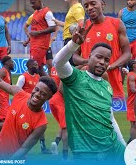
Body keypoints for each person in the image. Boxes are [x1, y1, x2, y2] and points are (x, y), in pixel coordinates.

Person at [53, 24, 126, 161]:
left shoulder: (106, 86)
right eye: (98, 57)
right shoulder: (75, 78)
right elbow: (58, 63)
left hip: (113, 147)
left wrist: (123, 145)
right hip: (86, 152)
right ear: (90, 56)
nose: (102, 62)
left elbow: (110, 118)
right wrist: (74, 44)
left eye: (106, 60)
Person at [0, 62, 57, 159]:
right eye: (36, 89)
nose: (37, 94)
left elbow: (24, 149)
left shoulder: (41, 124)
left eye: (43, 94)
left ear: (48, 98)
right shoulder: (19, 93)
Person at [73, 0, 131, 99]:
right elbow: (75, 56)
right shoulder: (82, 27)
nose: (89, 7)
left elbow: (127, 53)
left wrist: (111, 66)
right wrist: (87, 61)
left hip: (112, 82)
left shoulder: (117, 24)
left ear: (102, 4)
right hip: (88, 83)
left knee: (114, 115)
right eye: (86, 6)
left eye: (93, 4)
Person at [16, 59, 51, 154]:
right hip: (26, 107)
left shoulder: (38, 76)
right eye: (35, 65)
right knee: (23, 127)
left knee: (40, 126)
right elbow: (17, 91)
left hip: (36, 107)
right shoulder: (23, 77)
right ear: (30, 66)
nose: (37, 66)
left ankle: (43, 148)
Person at [24, 0, 56, 76]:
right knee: (39, 69)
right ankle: (51, 87)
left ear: (39, 1)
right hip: (34, 44)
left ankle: (43, 86)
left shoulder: (47, 13)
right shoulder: (35, 13)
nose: (31, 5)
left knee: (33, 67)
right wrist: (28, 40)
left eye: (33, 3)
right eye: (30, 3)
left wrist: (37, 33)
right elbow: (34, 29)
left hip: (40, 45)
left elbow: (53, 27)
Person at [53, 0, 84, 65]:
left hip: (71, 39)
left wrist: (75, 35)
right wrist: (58, 22)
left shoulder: (77, 8)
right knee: (68, 64)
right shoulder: (73, 8)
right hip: (69, 39)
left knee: (70, 65)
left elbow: (81, 23)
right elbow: (70, 25)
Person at [49, 67, 69, 159]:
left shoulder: (55, 68)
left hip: (53, 99)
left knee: (63, 125)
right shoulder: (66, 70)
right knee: (65, 128)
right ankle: (65, 157)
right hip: (60, 100)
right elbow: (61, 89)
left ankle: (55, 143)